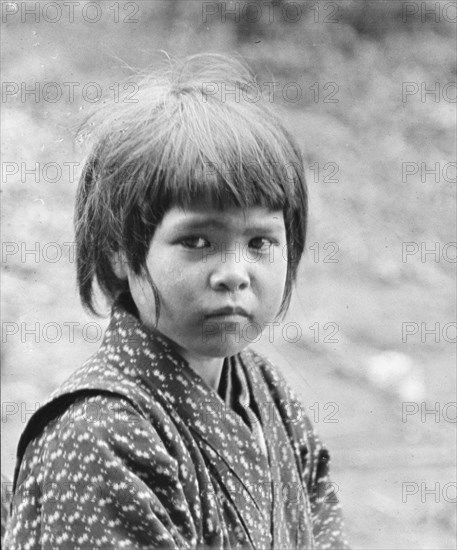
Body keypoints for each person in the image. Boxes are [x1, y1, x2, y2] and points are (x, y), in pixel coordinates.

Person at [4, 54, 349, 549]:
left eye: (260, 243)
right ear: (120, 252)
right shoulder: (97, 436)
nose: (235, 273)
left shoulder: (268, 392)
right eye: (197, 241)